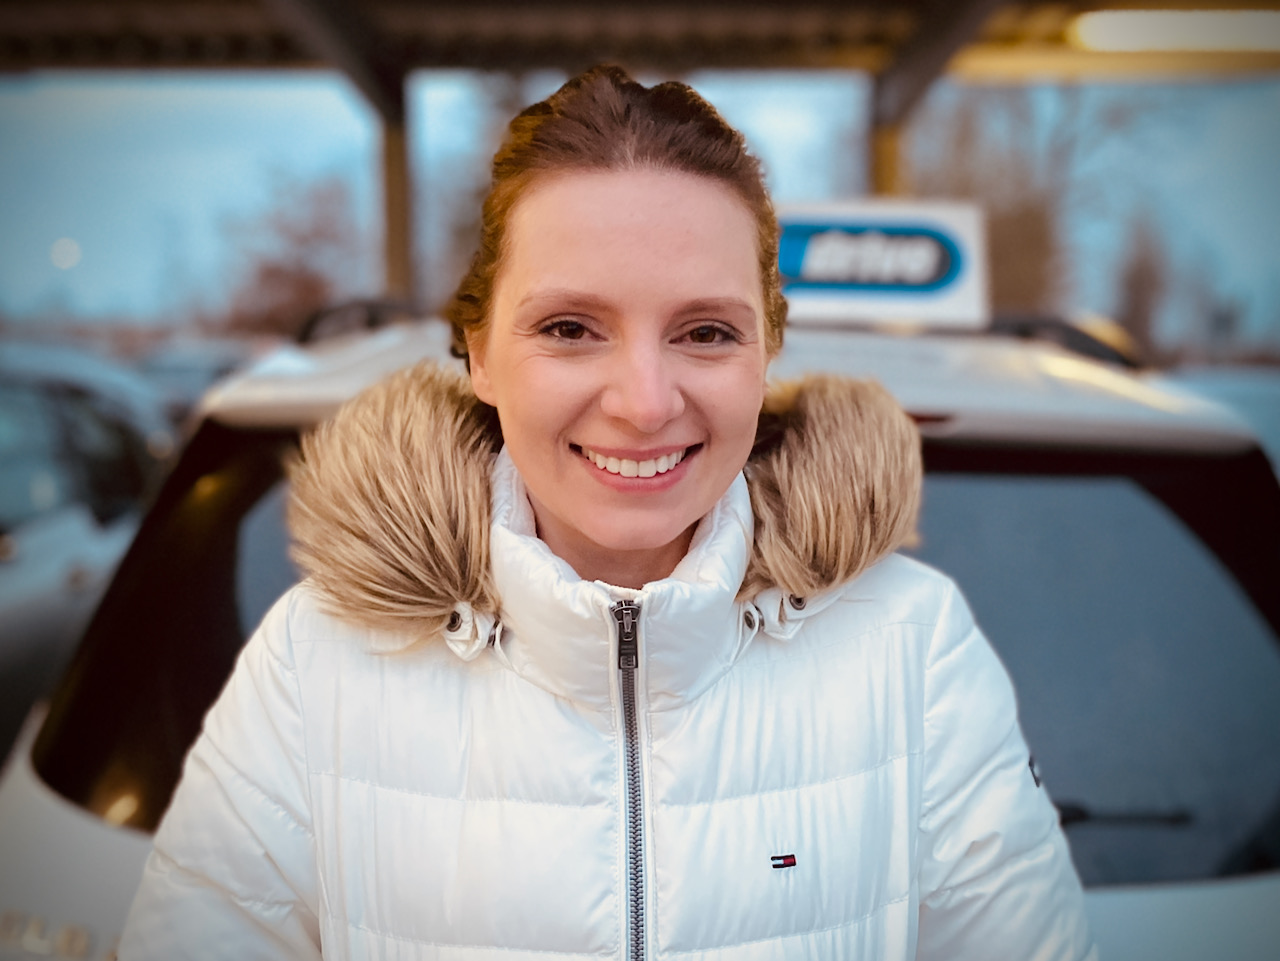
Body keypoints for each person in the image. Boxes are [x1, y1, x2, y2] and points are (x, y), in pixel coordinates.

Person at [120, 65, 1095, 960]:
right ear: (480, 353)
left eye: (704, 331)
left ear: (765, 354)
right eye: (570, 327)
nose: (643, 402)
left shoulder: (910, 648)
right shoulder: (316, 664)